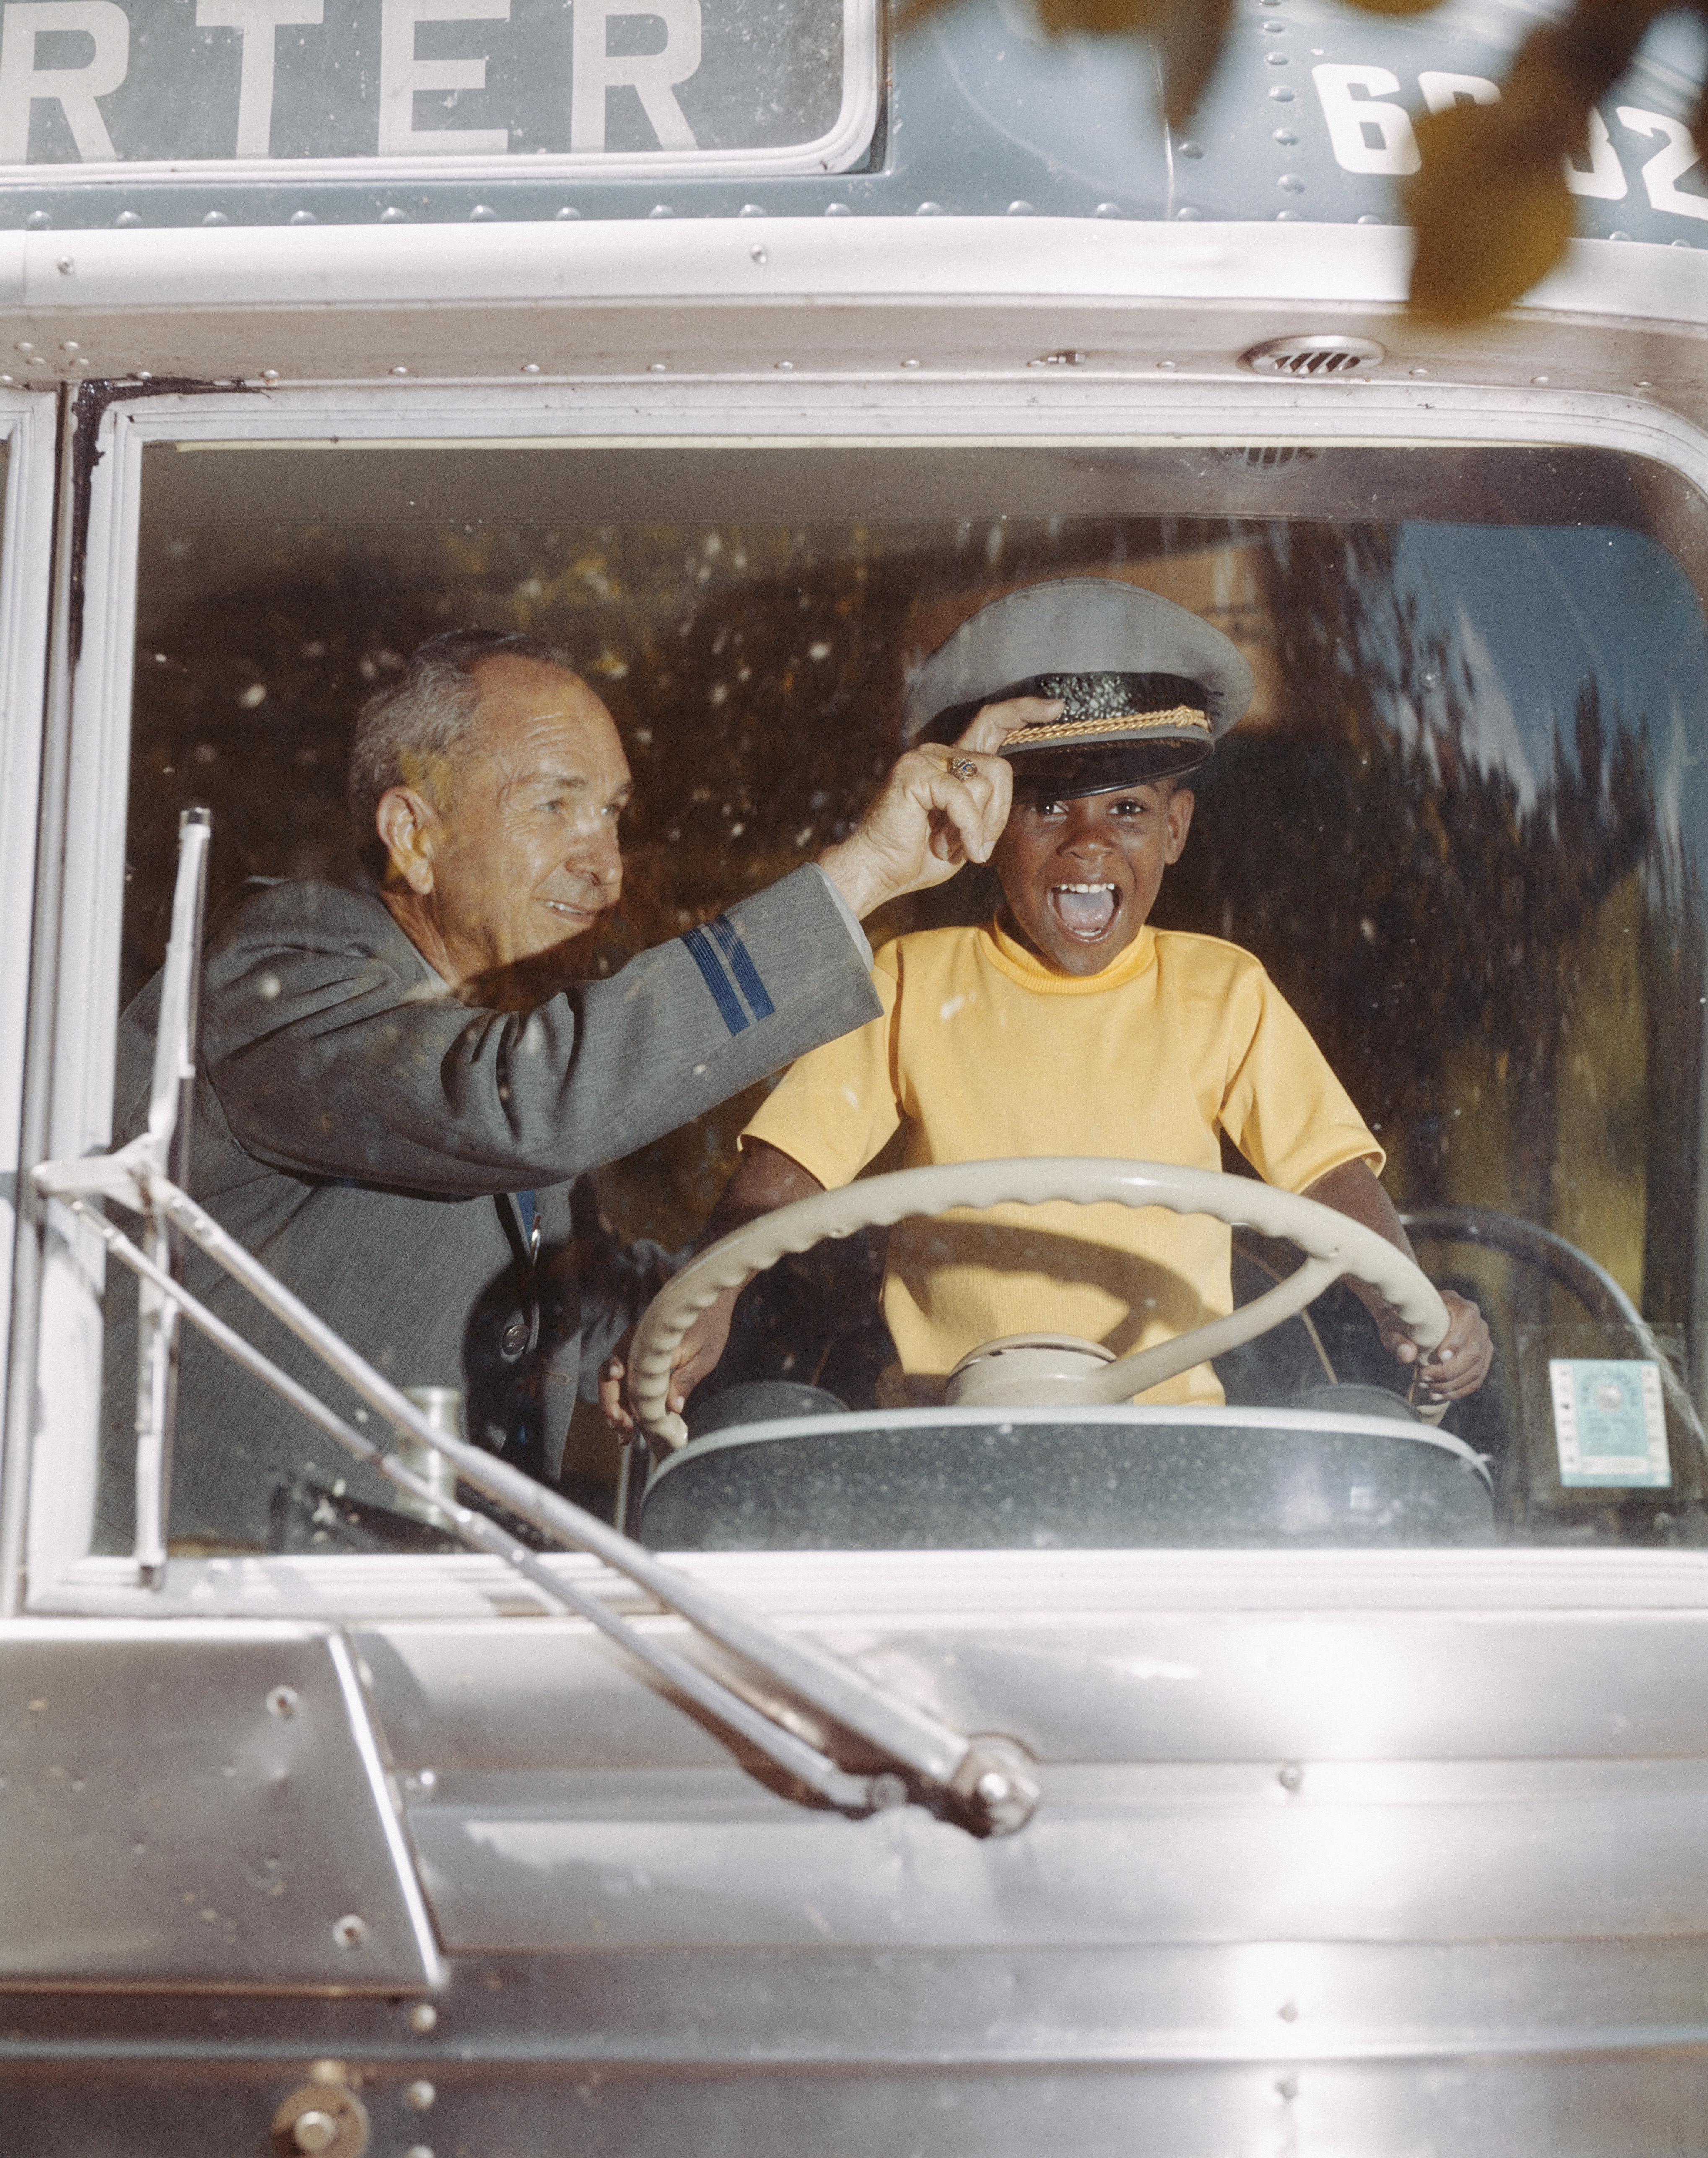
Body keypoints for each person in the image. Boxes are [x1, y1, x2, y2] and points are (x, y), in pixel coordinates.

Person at [96, 627, 1047, 1553]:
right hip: (216, 1613)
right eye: (554, 806)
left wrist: (919, 1275)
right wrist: (864, 872)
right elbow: (525, 1101)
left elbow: (611, 1308)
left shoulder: (489, 1051)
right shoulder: (276, 975)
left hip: (450, 1619)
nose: (606, 868)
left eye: (613, 816)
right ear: (413, 836)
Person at [603, 579, 1492, 1440]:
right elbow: (787, 1167)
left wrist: (1406, 1299)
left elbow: (1330, 1178)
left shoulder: (1223, 992)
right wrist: (706, 1298)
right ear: (988, 827)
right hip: (943, 1436)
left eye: (1129, 808)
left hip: (1171, 1446)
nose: (1089, 840)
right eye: (1048, 805)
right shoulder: (911, 980)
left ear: (1175, 829)